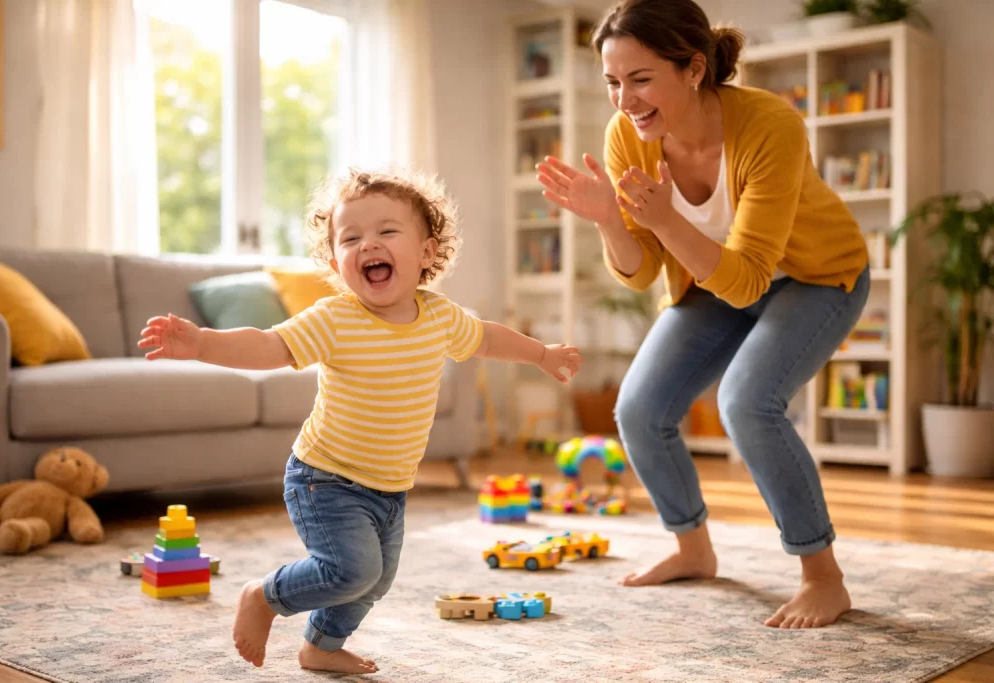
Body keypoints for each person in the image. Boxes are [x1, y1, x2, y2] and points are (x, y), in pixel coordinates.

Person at [137, 168, 582, 674]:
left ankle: (321, 646)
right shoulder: (334, 319)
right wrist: (203, 344)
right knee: (352, 569)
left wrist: (541, 354)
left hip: (389, 488)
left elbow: (488, 338)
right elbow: (268, 346)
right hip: (323, 479)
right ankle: (264, 596)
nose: (368, 243)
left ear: (427, 252)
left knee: (375, 579)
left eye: (387, 231)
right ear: (335, 262)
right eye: (351, 238)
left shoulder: (439, 317)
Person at [536, 0, 869, 630]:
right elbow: (638, 271)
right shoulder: (625, 136)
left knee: (747, 402)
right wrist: (611, 218)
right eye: (612, 82)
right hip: (712, 284)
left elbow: (747, 281)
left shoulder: (770, 124)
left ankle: (823, 577)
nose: (624, 100)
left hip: (817, 276)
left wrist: (661, 216)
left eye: (640, 79)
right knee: (639, 408)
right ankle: (693, 547)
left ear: (693, 69)